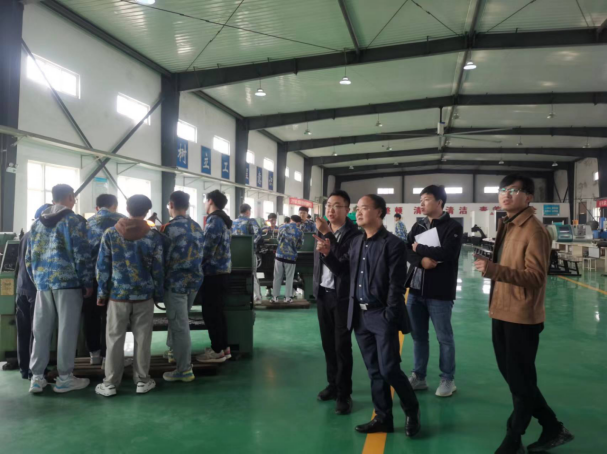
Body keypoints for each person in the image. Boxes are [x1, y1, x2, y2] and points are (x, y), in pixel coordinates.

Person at [474, 175, 574, 454]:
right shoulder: (508, 224)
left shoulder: (534, 230)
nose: (506, 194)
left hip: (521, 315)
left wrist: (494, 270)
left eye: (514, 190)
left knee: (520, 381)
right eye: (502, 190)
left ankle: (514, 436)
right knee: (516, 378)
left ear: (528, 197)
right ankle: (552, 427)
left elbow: (536, 277)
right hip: (501, 310)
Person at [317, 194, 420, 436]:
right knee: (374, 370)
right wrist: (328, 254)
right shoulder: (356, 243)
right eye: (358, 208)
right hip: (360, 317)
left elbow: (396, 286)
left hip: (381, 315)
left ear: (379, 212)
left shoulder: (393, 244)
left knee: (389, 369)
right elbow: (344, 271)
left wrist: (389, 316)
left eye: (364, 208)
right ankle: (383, 418)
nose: (359, 212)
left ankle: (412, 410)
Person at [26, 184, 94, 394]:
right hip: (68, 283)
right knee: (67, 330)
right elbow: (81, 255)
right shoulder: (74, 221)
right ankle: (64, 378)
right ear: (70, 197)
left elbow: (29, 258)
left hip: (43, 284)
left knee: (41, 330)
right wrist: (87, 282)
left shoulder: (37, 224)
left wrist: (38, 280)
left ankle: (37, 377)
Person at [95, 195, 164, 397]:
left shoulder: (110, 233)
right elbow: (158, 268)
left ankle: (110, 383)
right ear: (147, 211)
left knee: (114, 338)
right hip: (144, 295)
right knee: (143, 338)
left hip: (117, 296)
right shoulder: (153, 236)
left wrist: (102, 292)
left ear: (127, 208)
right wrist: (158, 294)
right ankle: (142, 380)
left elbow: (102, 267)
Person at [406, 185, 462, 398]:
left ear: (440, 202)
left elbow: (448, 253)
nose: (422, 204)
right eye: (420, 200)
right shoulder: (418, 226)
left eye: (426, 199)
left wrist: (419, 249)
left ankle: (448, 379)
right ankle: (419, 376)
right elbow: (406, 248)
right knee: (418, 336)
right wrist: (421, 261)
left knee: (444, 337)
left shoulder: (453, 227)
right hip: (416, 290)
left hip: (440, 291)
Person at [312, 190, 361, 415]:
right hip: (323, 294)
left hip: (342, 297)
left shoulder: (354, 235)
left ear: (347, 210)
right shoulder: (321, 231)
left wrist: (326, 234)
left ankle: (344, 393)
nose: (330, 210)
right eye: (328, 205)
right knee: (328, 345)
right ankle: (332, 385)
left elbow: (342, 264)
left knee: (341, 346)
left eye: (337, 206)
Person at [161, 191, 204, 383]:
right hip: (194, 282)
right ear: (187, 205)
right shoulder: (197, 227)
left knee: (180, 325)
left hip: (175, 283)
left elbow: (161, 259)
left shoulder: (168, 229)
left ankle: (184, 369)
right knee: (179, 319)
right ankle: (174, 351)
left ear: (171, 205)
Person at [85, 194, 125, 366]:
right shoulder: (122, 221)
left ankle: (94, 354)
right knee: (112, 318)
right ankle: (110, 357)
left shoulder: (86, 223)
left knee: (91, 316)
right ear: (115, 205)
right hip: (116, 279)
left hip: (91, 278)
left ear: (97, 207)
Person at [196, 190, 233, 363]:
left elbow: (206, 249)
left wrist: (194, 264)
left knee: (211, 314)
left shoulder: (214, 220)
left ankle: (217, 350)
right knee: (218, 313)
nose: (204, 204)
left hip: (213, 274)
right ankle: (224, 348)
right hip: (222, 272)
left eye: (205, 200)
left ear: (210, 201)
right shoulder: (224, 220)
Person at [14, 203, 51, 380]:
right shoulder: (41, 235)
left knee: (23, 331)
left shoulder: (26, 235)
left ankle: (24, 368)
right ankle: (35, 370)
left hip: (21, 288)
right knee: (38, 331)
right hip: (36, 289)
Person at [232, 203, 263, 302]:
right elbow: (258, 235)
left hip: (235, 254)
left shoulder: (233, 222)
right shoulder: (251, 221)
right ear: (248, 211)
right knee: (252, 274)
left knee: (237, 274)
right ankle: (257, 297)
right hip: (248, 253)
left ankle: (239, 297)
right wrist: (252, 244)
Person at [271, 215, 303, 303]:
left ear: (291, 220)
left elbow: (278, 240)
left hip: (279, 255)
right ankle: (287, 298)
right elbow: (299, 246)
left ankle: (275, 297)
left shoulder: (282, 227)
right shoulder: (300, 231)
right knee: (289, 278)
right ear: (298, 223)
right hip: (291, 257)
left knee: (277, 277)